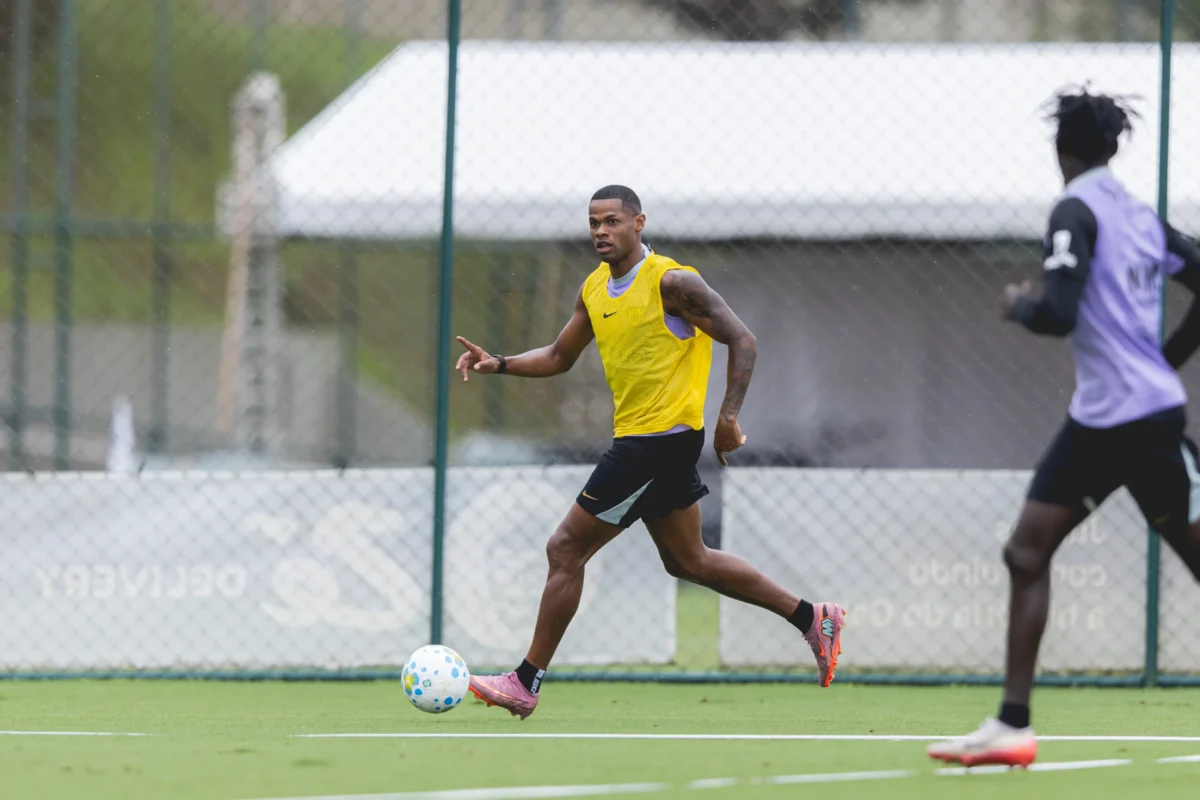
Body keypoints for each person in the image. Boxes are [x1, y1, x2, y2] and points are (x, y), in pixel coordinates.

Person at [455, 185, 847, 719]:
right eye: (593, 222)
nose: (600, 231)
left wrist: (728, 418)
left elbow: (744, 339)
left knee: (565, 549)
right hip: (648, 442)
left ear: (639, 223)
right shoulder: (594, 289)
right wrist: (498, 362)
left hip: (655, 444)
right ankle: (811, 617)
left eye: (612, 221)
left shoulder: (671, 282)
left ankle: (524, 682)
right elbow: (557, 355)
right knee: (689, 559)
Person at [928, 88, 1200, 767]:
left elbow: (1058, 312)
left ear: (1062, 149)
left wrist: (1019, 303)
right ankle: (1012, 727)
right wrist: (1163, 362)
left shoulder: (1074, 209)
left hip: (1120, 420)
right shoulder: (1139, 216)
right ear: (1112, 147)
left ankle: (1013, 724)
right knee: (1027, 552)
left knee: (1027, 553)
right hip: (1121, 416)